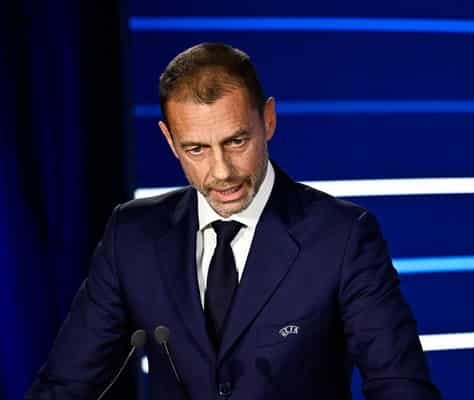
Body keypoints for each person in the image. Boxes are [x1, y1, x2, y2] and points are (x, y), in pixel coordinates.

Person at [27, 43, 441, 399]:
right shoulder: (132, 236)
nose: (222, 171)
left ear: (269, 120)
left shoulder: (343, 238)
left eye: (237, 141)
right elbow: (67, 385)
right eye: (196, 149)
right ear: (170, 141)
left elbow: (400, 386)